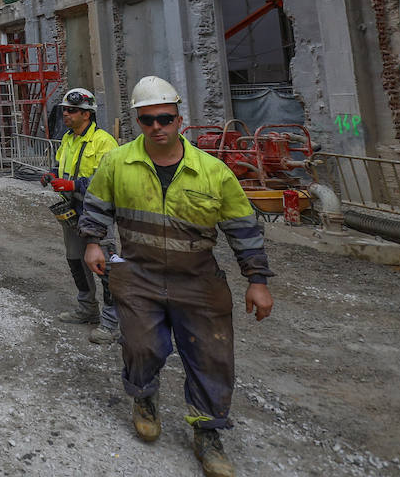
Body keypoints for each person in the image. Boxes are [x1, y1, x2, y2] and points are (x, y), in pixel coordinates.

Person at [78, 76, 273, 477]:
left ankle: (208, 432)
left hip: (198, 280)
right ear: (137, 121)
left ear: (179, 119)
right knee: (142, 345)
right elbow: (97, 204)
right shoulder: (118, 162)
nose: (157, 127)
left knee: (211, 356)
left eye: (165, 118)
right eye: (148, 120)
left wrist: (257, 280)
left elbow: (242, 228)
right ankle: (144, 397)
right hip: (138, 274)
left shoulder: (212, 171)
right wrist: (94, 242)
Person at [43, 87, 120, 343]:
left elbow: (109, 182)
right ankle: (87, 309)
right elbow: (59, 164)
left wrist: (74, 185)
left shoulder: (104, 142)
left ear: (87, 114)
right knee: (76, 260)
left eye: (71, 110)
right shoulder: (68, 138)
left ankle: (111, 323)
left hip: (96, 211)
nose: (66, 114)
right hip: (71, 209)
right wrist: (52, 176)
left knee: (106, 266)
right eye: (65, 110)